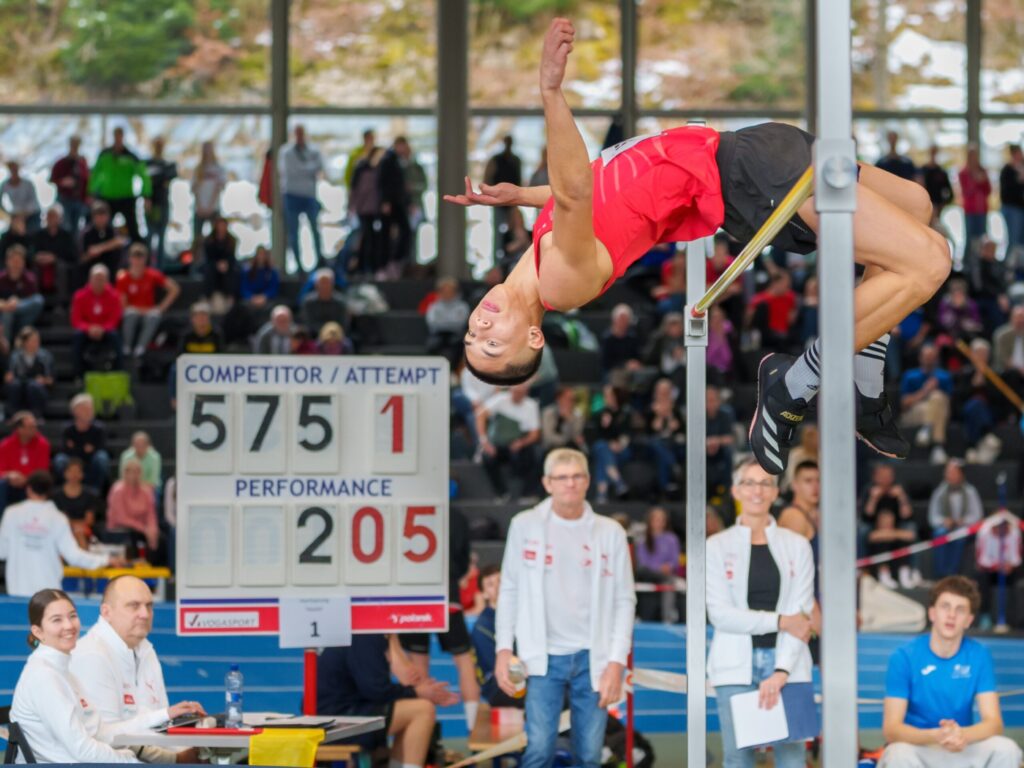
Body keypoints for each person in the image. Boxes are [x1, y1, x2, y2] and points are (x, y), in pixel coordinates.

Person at [447, 19, 946, 475]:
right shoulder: (559, 282)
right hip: (744, 182)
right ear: (534, 339)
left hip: (743, 151)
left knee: (917, 205)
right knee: (930, 261)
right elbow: (576, 190)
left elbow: (600, 194)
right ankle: (794, 382)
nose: (479, 327)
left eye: (472, 337)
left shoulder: (534, 260)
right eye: (492, 342)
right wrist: (551, 92)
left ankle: (864, 370)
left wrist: (522, 196)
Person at [495, 447, 635, 768]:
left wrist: (616, 661)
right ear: (547, 483)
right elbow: (509, 591)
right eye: (561, 477)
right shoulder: (524, 525)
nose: (569, 483)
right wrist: (504, 649)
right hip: (542, 657)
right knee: (539, 752)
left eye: (576, 476)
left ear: (587, 481)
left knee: (588, 755)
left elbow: (625, 600)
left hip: (593, 657)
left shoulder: (610, 532)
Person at [707, 458, 815, 768]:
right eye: (749, 483)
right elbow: (721, 615)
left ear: (775, 491)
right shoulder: (716, 546)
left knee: (793, 760)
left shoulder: (797, 546)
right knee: (738, 759)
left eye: (765, 483)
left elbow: (802, 615)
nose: (757, 490)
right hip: (733, 667)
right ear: (735, 491)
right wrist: (779, 621)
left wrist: (781, 671)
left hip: (791, 666)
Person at [878, 576, 1022, 768]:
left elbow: (994, 722)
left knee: (1007, 749)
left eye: (960, 609)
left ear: (969, 620)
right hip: (920, 748)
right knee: (897, 753)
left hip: (961, 746)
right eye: (945, 606)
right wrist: (935, 735)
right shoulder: (903, 657)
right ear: (932, 613)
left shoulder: (979, 654)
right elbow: (892, 729)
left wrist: (962, 735)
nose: (952, 615)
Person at [70, 575, 205, 764]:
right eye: (134, 606)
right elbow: (105, 741)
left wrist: (194, 736)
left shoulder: (145, 650)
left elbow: (160, 727)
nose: (145, 613)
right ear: (106, 612)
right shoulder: (92, 655)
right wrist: (175, 759)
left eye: (149, 606)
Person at [10, 590, 140, 763]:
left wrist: (162, 716)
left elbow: (97, 732)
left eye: (72, 616)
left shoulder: (61, 671)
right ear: (38, 632)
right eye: (57, 620)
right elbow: (82, 750)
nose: (69, 625)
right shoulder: (44, 676)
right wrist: (131, 762)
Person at [317, 634, 458, 767]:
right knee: (423, 710)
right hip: (335, 718)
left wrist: (415, 690)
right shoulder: (366, 635)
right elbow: (376, 690)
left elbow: (377, 687)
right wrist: (417, 692)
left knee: (414, 707)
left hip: (340, 711)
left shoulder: (373, 634)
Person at [398, 508, 482, 730]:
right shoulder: (457, 516)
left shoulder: (403, 511)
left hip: (414, 595)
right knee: (464, 663)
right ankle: (473, 730)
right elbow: (463, 560)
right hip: (447, 594)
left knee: (418, 665)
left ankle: (424, 733)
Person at [0, 471, 116, 596]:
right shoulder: (58, 518)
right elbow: (74, 556)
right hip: (49, 596)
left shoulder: (11, 513)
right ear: (49, 492)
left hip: (17, 592)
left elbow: (2, 552)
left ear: (28, 489)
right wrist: (106, 560)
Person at [476, 382, 541, 501]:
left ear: (526, 392)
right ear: (510, 390)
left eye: (521, 392)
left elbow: (534, 434)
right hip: (497, 446)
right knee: (487, 457)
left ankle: (527, 493)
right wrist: (485, 442)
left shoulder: (531, 405)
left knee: (535, 454)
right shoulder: (500, 399)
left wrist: (521, 443)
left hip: (518, 446)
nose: (517, 395)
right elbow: (480, 415)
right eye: (515, 391)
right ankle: (501, 493)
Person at [116, 242, 181, 358]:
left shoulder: (152, 275)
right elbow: (123, 304)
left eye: (140, 257)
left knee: (154, 315)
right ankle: (126, 347)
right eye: (135, 257)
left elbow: (174, 288)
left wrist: (161, 307)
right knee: (130, 314)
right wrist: (136, 309)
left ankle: (141, 348)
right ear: (129, 258)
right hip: (132, 310)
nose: (137, 261)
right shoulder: (123, 277)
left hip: (148, 311)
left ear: (145, 259)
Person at [471, 564, 522, 707]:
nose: (498, 587)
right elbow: (498, 669)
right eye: (490, 584)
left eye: (500, 581)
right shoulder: (482, 627)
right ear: (484, 594)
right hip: (499, 687)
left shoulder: (521, 614)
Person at [90, 127, 151, 243]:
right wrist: (92, 192)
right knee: (103, 229)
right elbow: (95, 174)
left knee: (133, 229)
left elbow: (143, 175)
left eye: (120, 136)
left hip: (126, 198)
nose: (118, 139)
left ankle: (139, 255)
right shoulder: (104, 155)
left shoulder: (130, 156)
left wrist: (146, 194)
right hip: (107, 198)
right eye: (116, 136)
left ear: (123, 137)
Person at [927, 459, 984, 578]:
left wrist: (963, 521)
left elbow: (977, 515)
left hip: (963, 528)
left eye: (953, 472)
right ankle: (941, 574)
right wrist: (944, 521)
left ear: (961, 474)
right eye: (948, 472)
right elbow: (932, 517)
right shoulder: (940, 492)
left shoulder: (970, 491)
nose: (949, 475)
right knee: (940, 534)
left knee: (959, 537)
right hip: (945, 527)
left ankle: (953, 574)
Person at [279, 123, 324, 271]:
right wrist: (308, 169)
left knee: (315, 230)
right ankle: (298, 266)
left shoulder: (314, 151)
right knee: (294, 233)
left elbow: (319, 167)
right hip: (292, 196)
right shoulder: (286, 152)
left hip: (309, 196)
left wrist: (303, 169)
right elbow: (291, 171)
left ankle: (319, 262)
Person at [899, 343, 952, 465]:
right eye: (927, 356)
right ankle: (938, 447)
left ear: (937, 359)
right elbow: (904, 404)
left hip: (939, 409)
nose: (929, 359)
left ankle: (927, 429)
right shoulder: (910, 376)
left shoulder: (944, 376)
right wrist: (925, 391)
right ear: (920, 358)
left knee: (937, 397)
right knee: (931, 405)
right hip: (915, 412)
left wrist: (933, 392)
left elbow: (948, 402)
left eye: (932, 356)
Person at [54, 393, 111, 490]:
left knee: (102, 458)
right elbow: (64, 449)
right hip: (73, 460)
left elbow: (101, 447)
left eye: (91, 408)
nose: (90, 411)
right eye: (86, 409)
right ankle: (67, 488)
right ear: (76, 411)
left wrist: (76, 447)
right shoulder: (67, 429)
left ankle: (95, 490)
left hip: (91, 461)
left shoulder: (99, 429)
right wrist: (85, 449)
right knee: (60, 459)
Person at [635, 506, 681, 622]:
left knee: (669, 581)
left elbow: (675, 560)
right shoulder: (642, 539)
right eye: (656, 519)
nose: (659, 523)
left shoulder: (672, 539)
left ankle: (668, 616)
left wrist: (668, 566)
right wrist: (659, 568)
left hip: (664, 575)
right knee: (645, 572)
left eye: (662, 520)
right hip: (647, 574)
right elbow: (642, 561)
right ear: (650, 521)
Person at [107, 457, 159, 558]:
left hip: (142, 529)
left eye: (137, 472)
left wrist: (153, 529)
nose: (135, 475)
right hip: (121, 529)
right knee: (132, 537)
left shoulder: (146, 491)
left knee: (160, 538)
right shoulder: (117, 490)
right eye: (131, 472)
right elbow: (121, 518)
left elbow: (151, 514)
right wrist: (144, 529)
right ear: (125, 473)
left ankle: (157, 570)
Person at [0, 411, 51, 511]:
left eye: (35, 426)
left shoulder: (43, 444)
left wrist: (26, 478)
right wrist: (9, 475)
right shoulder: (5, 445)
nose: (35, 429)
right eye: (31, 427)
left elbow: (43, 470)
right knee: (1, 484)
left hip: (32, 483)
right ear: (20, 429)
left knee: (37, 485)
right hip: (10, 483)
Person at [484, 135, 523, 262]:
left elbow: (519, 179)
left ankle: (512, 259)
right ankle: (497, 261)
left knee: (515, 230)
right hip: (498, 202)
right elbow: (488, 177)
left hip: (512, 201)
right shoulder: (496, 159)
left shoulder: (516, 160)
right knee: (497, 232)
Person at [53, 457, 104, 548]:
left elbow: (89, 520)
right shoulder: (56, 495)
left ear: (82, 474)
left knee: (79, 532)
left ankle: (82, 560)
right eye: (71, 471)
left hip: (84, 530)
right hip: (62, 528)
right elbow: (59, 520)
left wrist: (74, 525)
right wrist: (72, 525)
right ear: (65, 473)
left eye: (77, 471)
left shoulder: (90, 495)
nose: (74, 475)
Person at [5, 326, 54, 419]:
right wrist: (8, 377)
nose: (36, 343)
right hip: (20, 387)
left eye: (37, 340)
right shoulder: (15, 357)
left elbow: (51, 380)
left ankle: (36, 416)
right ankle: (13, 416)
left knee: (33, 386)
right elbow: (10, 375)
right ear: (25, 342)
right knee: (15, 385)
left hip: (37, 389)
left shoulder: (45, 356)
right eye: (33, 340)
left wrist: (44, 380)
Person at [32, 204, 80, 299]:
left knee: (61, 267)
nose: (51, 219)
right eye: (49, 216)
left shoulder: (67, 235)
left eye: (54, 216)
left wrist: (54, 258)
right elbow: (31, 252)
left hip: (60, 265)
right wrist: (38, 257)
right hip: (41, 265)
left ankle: (61, 301)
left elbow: (73, 255)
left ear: (60, 219)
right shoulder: (38, 234)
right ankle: (36, 297)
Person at [0, 244, 44, 345]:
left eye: (19, 260)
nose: (16, 264)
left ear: (23, 262)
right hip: (4, 317)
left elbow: (33, 301)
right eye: (13, 260)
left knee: (38, 300)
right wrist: (7, 305)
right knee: (8, 313)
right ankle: (6, 346)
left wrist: (16, 303)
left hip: (23, 318)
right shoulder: (1, 279)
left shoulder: (29, 279)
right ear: (7, 261)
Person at [144, 137, 178, 269]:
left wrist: (157, 179)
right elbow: (149, 182)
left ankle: (160, 270)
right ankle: (147, 267)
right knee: (149, 237)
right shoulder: (147, 163)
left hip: (162, 204)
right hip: (150, 205)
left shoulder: (168, 164)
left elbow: (168, 177)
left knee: (161, 239)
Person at [80, 201, 129, 287]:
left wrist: (100, 248)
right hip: (90, 275)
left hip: (111, 274)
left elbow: (121, 242)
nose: (101, 219)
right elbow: (84, 257)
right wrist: (109, 245)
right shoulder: (86, 234)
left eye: (103, 215)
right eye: (98, 215)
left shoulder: (113, 231)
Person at [958, 145, 992, 267]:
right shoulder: (963, 173)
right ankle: (966, 264)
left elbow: (988, 190)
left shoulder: (982, 171)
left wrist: (982, 181)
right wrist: (976, 180)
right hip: (970, 211)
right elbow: (966, 191)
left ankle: (981, 264)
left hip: (982, 210)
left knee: (982, 238)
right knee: (969, 238)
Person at [425, 276, 470, 366]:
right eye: (444, 290)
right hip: (437, 335)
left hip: (456, 336)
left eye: (450, 290)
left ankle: (452, 371)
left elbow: (460, 324)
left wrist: (443, 321)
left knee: (457, 345)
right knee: (433, 344)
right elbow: (432, 323)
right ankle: (436, 369)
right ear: (439, 292)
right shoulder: (433, 306)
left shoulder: (462, 306)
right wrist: (450, 322)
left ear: (455, 292)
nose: (447, 293)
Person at [50, 135, 90, 234]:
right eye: (73, 144)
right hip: (64, 199)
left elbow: (86, 180)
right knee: (65, 227)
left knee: (76, 228)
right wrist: (62, 182)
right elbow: (52, 179)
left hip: (79, 200)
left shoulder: (82, 162)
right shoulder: (61, 162)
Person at [191, 141, 226, 249]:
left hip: (213, 208)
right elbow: (194, 188)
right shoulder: (198, 169)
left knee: (217, 238)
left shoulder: (219, 169)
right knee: (197, 239)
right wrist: (200, 206)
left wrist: (210, 206)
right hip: (199, 209)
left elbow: (219, 188)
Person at [201, 216, 238, 311]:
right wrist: (217, 264)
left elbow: (232, 257)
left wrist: (225, 263)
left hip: (227, 265)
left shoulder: (232, 240)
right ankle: (207, 296)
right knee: (209, 270)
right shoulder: (209, 240)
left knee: (233, 271)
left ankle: (230, 296)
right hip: (212, 264)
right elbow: (208, 257)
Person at [299, 267, 349, 335]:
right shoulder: (308, 302)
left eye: (327, 283)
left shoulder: (340, 302)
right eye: (322, 283)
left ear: (333, 284)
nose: (325, 286)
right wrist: (324, 332)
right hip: (314, 337)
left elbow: (343, 324)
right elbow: (308, 323)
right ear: (316, 285)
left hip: (336, 338)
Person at [999, 144, 1024, 267]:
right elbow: (1006, 193)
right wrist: (1019, 181)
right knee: (1013, 241)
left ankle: (1018, 267)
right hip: (1011, 209)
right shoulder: (1007, 170)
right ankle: (1007, 269)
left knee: (1020, 241)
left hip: (1020, 209)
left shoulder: (1022, 168)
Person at [919, 145, 954, 230]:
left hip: (937, 208)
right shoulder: (922, 170)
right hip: (925, 208)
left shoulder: (941, 172)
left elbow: (950, 193)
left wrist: (942, 205)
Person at [0, 160, 41, 232]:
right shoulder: (4, 185)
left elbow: (33, 201)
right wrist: (8, 213)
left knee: (33, 233)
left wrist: (24, 214)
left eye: (15, 170)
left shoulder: (28, 183)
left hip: (32, 213)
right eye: (11, 170)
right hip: (16, 215)